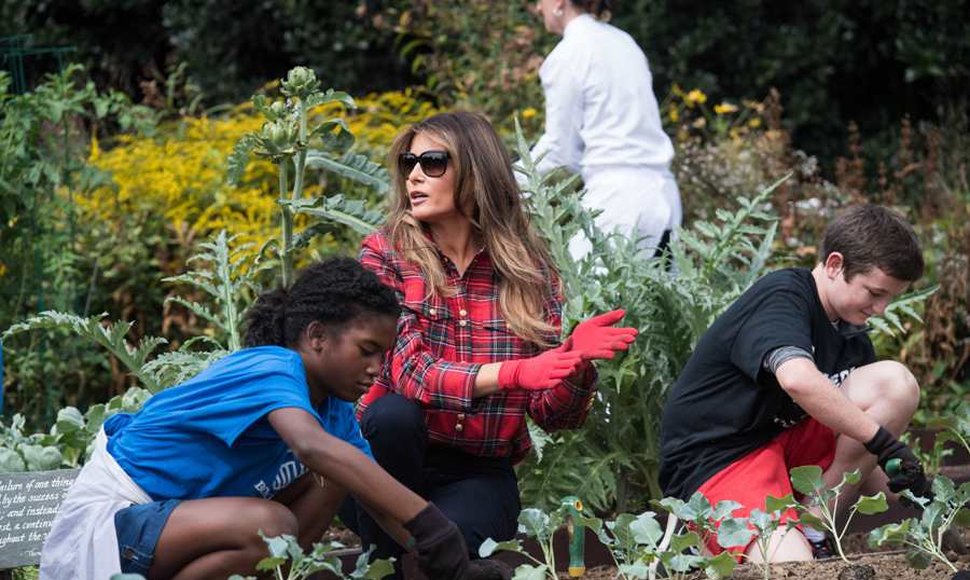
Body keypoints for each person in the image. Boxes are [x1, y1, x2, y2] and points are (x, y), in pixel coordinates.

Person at [40, 258, 472, 580]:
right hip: (114, 522)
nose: (378, 367)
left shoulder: (334, 412)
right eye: (366, 350)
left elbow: (379, 501)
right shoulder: (269, 367)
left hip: (172, 529)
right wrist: (431, 523)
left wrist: (452, 564)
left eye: (384, 354)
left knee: (339, 476)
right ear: (317, 336)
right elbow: (309, 446)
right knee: (274, 526)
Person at [341, 111, 637, 576]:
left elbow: (552, 414)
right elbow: (406, 373)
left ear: (476, 171)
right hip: (386, 461)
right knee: (392, 415)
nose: (415, 174)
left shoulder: (530, 271)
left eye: (433, 162)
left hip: (477, 470)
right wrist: (516, 372)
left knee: (437, 560)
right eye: (408, 162)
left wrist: (574, 364)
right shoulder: (385, 253)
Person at [659, 204, 930, 563]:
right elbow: (797, 380)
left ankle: (816, 528)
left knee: (894, 385)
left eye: (889, 298)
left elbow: (861, 456)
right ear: (835, 265)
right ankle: (713, 541)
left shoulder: (851, 333)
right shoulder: (784, 297)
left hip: (783, 446)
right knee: (792, 567)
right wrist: (881, 440)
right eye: (874, 292)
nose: (881, 309)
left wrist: (912, 486)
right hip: (719, 459)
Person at [530, 0, 682, 259]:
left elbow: (558, 152)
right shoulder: (624, 42)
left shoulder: (567, 55)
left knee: (582, 296)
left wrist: (501, 181)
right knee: (657, 298)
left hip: (618, 202)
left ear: (559, 3)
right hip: (665, 196)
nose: (537, 7)